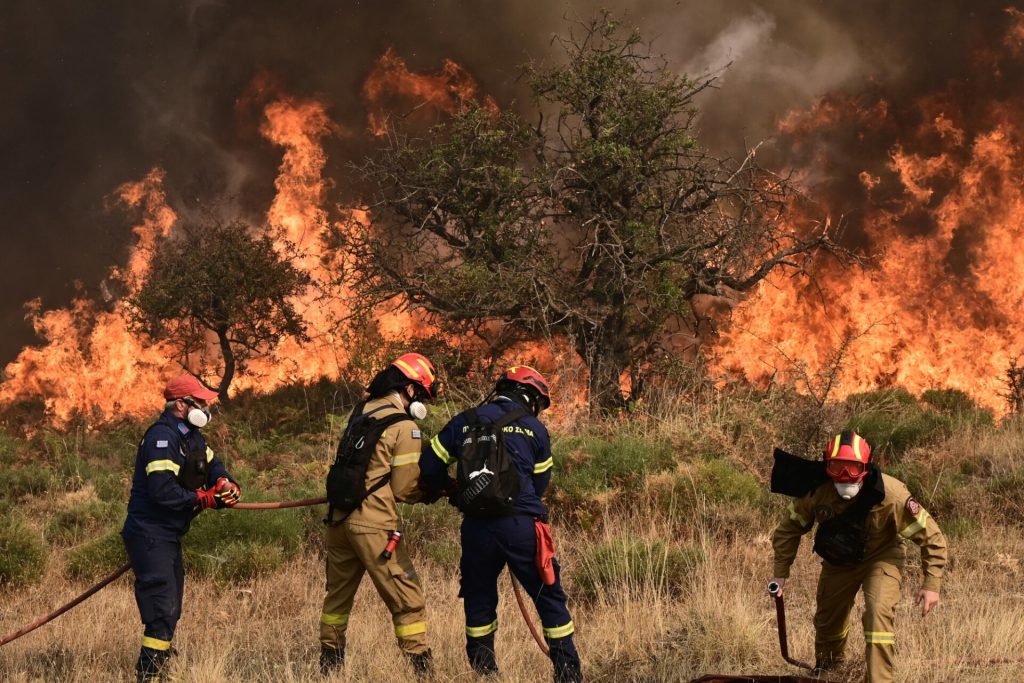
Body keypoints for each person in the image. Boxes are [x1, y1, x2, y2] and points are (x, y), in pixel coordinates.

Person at [420, 366, 583, 683]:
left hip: (477, 529)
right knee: (549, 598)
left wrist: (453, 492)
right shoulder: (534, 429)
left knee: (479, 598)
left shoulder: (464, 421)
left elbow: (428, 466)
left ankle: (485, 674)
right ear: (531, 397)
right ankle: (568, 674)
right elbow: (539, 485)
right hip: (521, 527)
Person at [770, 431, 947, 683]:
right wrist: (780, 573)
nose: (844, 475)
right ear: (826, 466)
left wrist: (931, 584)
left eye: (852, 468)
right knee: (828, 620)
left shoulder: (892, 495)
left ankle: (879, 679)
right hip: (839, 561)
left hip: (882, 556)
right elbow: (789, 528)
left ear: (865, 467)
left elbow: (932, 537)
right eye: (837, 467)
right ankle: (830, 668)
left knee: (877, 614)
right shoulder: (817, 491)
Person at [318, 352, 440, 677]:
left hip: (339, 521)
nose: (423, 401)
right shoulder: (405, 427)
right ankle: (422, 668)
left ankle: (329, 668)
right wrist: (434, 491)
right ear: (411, 390)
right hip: (374, 527)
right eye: (423, 394)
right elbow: (404, 489)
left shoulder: (361, 412)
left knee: (337, 600)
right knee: (407, 597)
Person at [121, 374, 242, 683]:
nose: (204, 406)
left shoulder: (190, 436)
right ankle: (149, 673)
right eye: (199, 402)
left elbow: (212, 463)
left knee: (172, 607)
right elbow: (162, 492)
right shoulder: (162, 438)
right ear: (180, 405)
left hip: (168, 535)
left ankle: (161, 661)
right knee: (161, 608)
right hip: (150, 534)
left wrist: (224, 483)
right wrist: (204, 500)